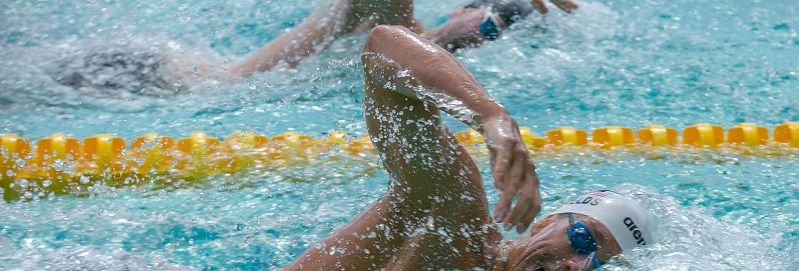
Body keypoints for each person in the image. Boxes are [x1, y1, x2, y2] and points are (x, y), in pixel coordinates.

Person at [160, 25, 655, 271]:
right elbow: (382, 45)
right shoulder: (455, 218)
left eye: (595, 263)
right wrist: (490, 117)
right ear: (545, 220)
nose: (575, 264)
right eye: (580, 237)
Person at [173, 0, 579, 83]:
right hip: (173, 81)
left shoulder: (411, 55)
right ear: (460, 12)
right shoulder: (389, 19)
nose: (480, 36)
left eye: (495, 35)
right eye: (489, 22)